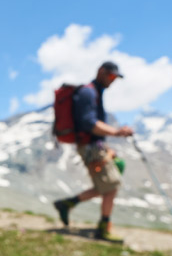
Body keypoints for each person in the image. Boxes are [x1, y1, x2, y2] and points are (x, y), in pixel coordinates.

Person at [52, 61, 134, 243]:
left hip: (95, 146)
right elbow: (89, 123)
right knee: (111, 185)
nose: (113, 81)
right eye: (111, 76)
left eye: (115, 78)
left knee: (105, 185)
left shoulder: (95, 93)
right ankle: (103, 229)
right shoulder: (88, 92)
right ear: (101, 72)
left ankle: (66, 204)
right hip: (91, 148)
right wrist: (116, 132)